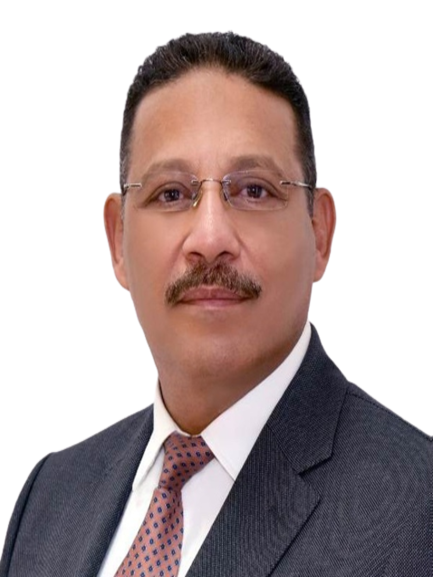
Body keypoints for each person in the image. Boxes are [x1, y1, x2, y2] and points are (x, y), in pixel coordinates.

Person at [1, 29, 431, 577]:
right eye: (171, 193)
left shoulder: (420, 510)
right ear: (117, 241)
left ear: (321, 234)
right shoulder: (49, 496)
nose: (209, 237)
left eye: (253, 190)